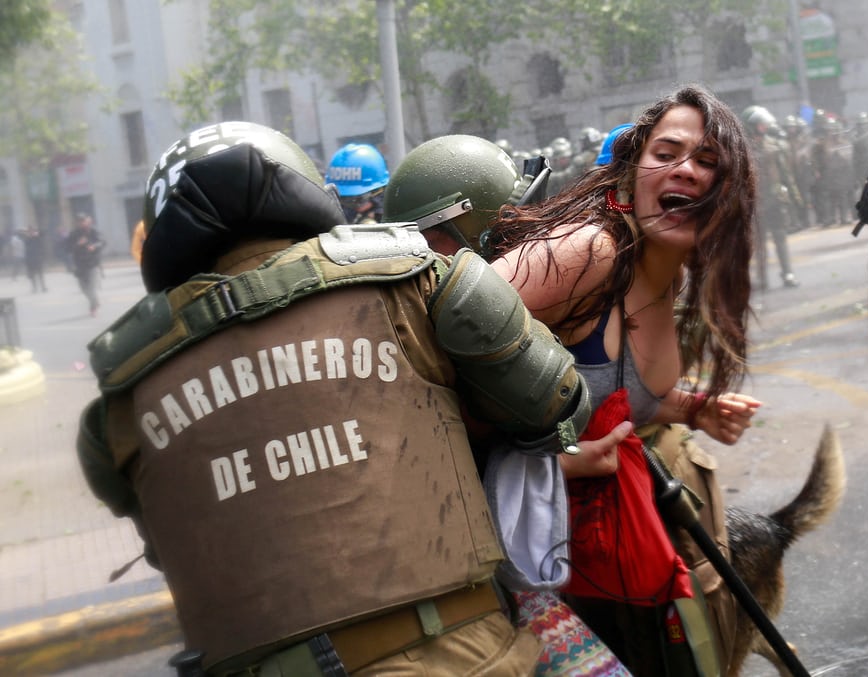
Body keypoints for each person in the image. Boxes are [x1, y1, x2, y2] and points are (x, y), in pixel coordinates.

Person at [76, 121, 591, 676]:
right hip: (462, 658)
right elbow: (559, 407)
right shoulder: (417, 279)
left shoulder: (119, 397)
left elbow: (166, 538)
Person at [485, 83, 762, 676]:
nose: (686, 169)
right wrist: (559, 463)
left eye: (709, 161)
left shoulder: (666, 272)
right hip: (497, 569)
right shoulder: (587, 253)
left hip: (572, 558)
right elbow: (423, 385)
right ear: (629, 178)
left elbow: (602, 395)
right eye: (667, 153)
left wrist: (685, 408)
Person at [383, 133, 632, 677]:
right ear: (469, 232)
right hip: (463, 584)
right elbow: (523, 431)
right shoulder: (447, 330)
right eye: (514, 225)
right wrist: (568, 457)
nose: (530, 237)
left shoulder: (396, 312)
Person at [741, 105, 800, 289]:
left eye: (764, 124)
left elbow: (786, 175)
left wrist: (794, 197)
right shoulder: (741, 149)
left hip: (774, 200)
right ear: (751, 125)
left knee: (780, 237)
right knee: (758, 243)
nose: (764, 127)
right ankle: (762, 278)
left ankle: (788, 273)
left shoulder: (773, 146)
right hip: (754, 202)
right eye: (760, 124)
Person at [325, 142, 389, 224]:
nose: (352, 208)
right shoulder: (331, 214)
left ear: (378, 192)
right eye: (343, 200)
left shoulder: (391, 213)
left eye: (358, 200)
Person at [67, 212, 105, 316]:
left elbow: (102, 242)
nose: (81, 223)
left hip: (92, 263)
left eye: (83, 220)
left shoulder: (93, 231)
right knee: (84, 289)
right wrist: (78, 244)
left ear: (88, 220)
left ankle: (93, 307)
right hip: (79, 264)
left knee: (91, 288)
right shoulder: (74, 234)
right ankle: (95, 302)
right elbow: (68, 248)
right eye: (79, 221)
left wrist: (94, 246)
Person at [22, 226, 47, 293]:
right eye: (29, 231)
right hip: (30, 260)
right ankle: (34, 288)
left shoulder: (37, 238)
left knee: (40, 274)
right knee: (32, 275)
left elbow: (43, 233)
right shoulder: (26, 239)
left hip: (37, 259)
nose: (30, 233)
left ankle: (43, 287)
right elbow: (26, 249)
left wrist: (37, 233)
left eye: (32, 231)